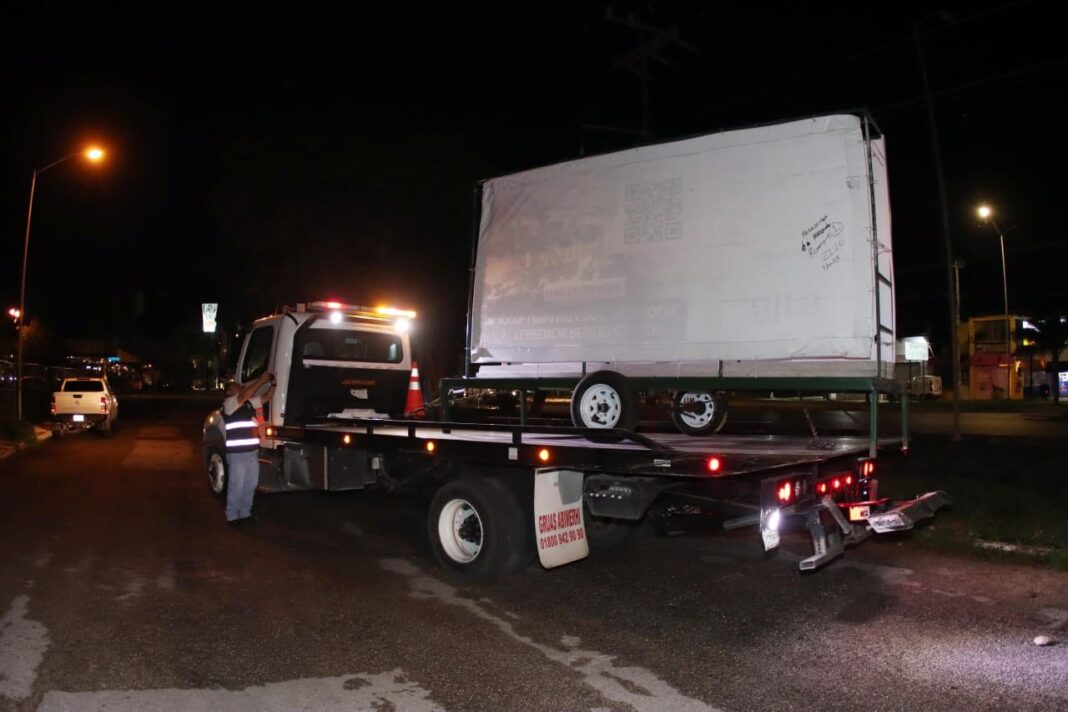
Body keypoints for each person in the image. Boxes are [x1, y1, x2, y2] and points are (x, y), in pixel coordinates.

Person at [221, 370, 275, 524]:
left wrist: (273, 384)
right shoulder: (229, 403)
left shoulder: (248, 403)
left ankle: (245, 513)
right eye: (236, 386)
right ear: (228, 392)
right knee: (236, 484)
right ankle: (232, 515)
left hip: (251, 452)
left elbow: (266, 397)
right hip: (237, 453)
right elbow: (243, 395)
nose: (241, 387)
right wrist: (261, 380)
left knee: (251, 483)